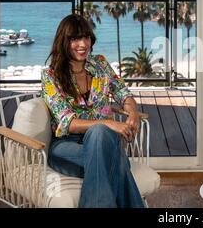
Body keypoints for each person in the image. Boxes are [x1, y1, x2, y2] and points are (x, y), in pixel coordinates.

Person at [41, 14, 144, 208]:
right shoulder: (50, 75)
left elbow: (123, 93)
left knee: (101, 134)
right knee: (117, 159)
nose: (83, 44)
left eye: (86, 37)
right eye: (75, 39)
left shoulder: (101, 64)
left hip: (105, 141)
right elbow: (67, 123)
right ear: (64, 42)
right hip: (66, 147)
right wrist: (108, 122)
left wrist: (133, 112)